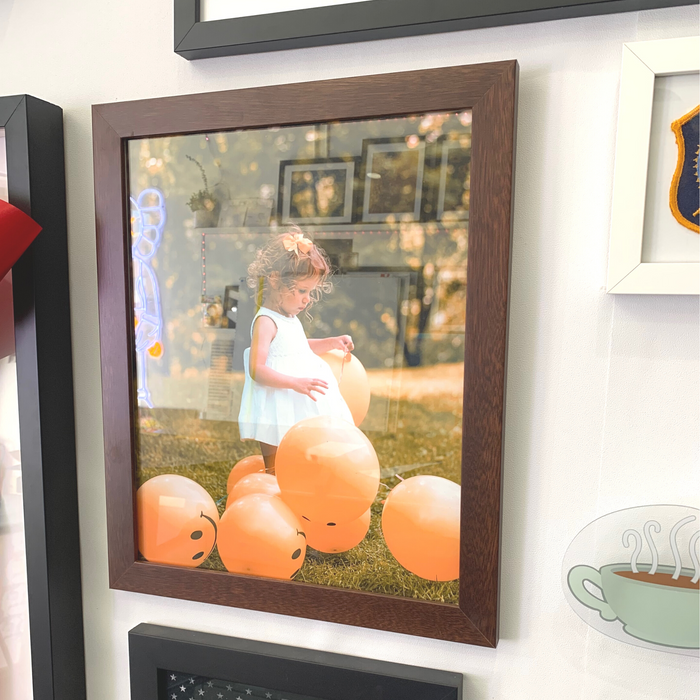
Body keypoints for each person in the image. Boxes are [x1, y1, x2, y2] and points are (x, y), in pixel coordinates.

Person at [238, 228, 354, 473]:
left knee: (300, 460)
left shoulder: (288, 317)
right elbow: (257, 369)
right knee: (276, 467)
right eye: (302, 291)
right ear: (274, 280)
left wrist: (331, 342)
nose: (307, 299)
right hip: (277, 401)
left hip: (295, 398)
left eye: (310, 292)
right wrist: (294, 383)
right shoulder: (265, 321)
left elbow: (298, 348)